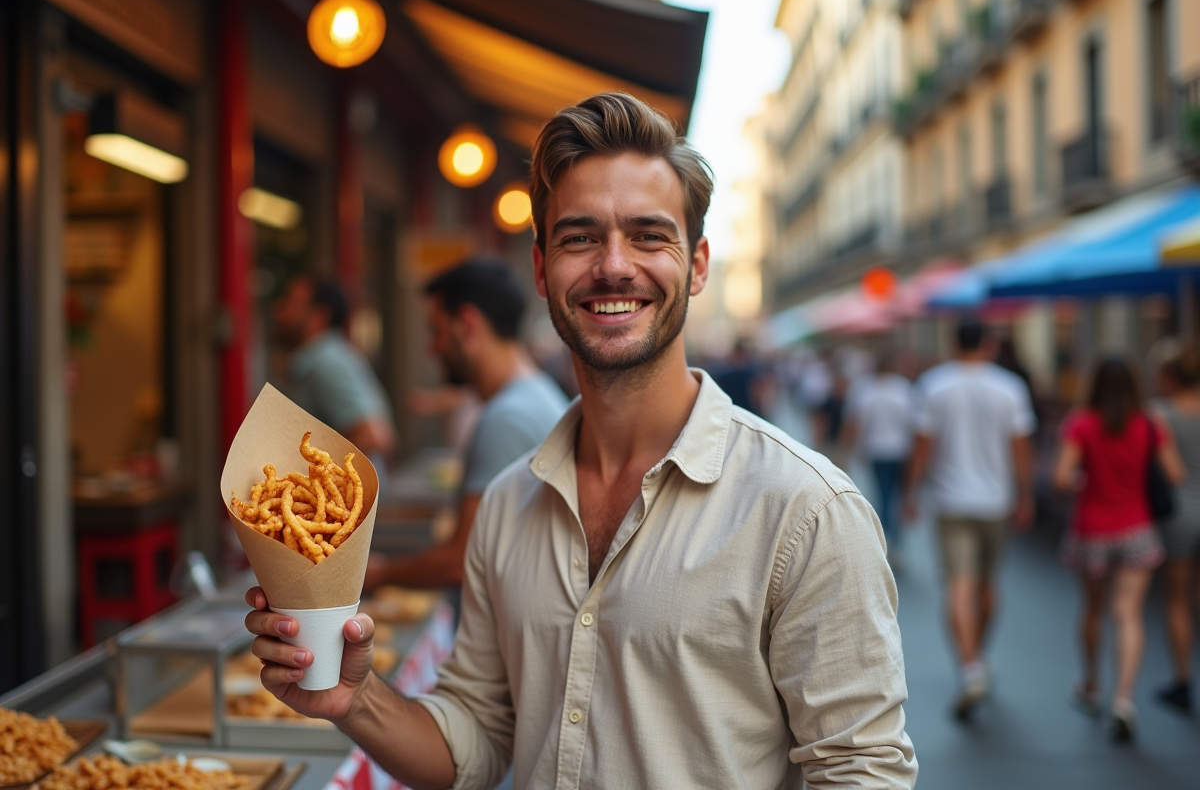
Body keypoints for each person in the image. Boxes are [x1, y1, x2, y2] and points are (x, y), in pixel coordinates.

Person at [246, 92, 916, 789]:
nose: (614, 265)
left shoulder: (806, 512)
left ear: (698, 265)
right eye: (580, 237)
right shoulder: (507, 506)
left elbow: (861, 773)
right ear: (541, 269)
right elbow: (474, 742)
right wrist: (355, 700)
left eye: (650, 235)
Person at [363, 259, 569, 595]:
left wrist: (380, 574)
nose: (433, 348)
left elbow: (461, 560)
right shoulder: (535, 394)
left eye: (436, 331)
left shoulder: (506, 418)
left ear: (467, 325)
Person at [906, 319, 1035, 720]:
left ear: (952, 341)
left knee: (959, 586)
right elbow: (1020, 449)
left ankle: (969, 665)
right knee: (987, 584)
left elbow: (923, 446)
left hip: (951, 499)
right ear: (990, 343)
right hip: (996, 500)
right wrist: (1026, 494)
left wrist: (910, 491)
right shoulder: (1010, 387)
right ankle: (977, 658)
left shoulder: (933, 385)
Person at [1053, 357, 1181, 741]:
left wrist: (1084, 481)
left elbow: (1061, 478)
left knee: (1093, 609)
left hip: (1092, 529)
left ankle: (1091, 682)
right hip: (1137, 527)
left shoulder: (1081, 424)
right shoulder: (1149, 423)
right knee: (1128, 614)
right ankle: (1124, 697)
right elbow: (1175, 473)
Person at [272, 276, 395, 463]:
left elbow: (375, 437)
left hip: (345, 492)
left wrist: (313, 479)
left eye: (292, 302)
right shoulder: (327, 357)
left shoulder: (326, 364)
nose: (279, 310)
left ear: (319, 317)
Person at [1155, 347, 1200, 713]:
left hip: (1180, 514)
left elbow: (1172, 472)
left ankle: (1183, 680)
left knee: (1178, 600)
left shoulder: (1160, 415)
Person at [841, 353, 916, 564]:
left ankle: (887, 541)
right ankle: (897, 542)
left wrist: (848, 450)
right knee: (897, 496)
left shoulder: (864, 388)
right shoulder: (903, 388)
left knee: (883, 496)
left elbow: (854, 421)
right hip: (901, 449)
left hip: (876, 450)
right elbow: (913, 423)